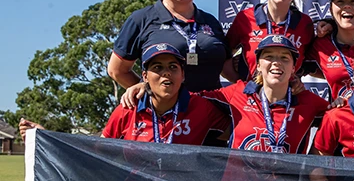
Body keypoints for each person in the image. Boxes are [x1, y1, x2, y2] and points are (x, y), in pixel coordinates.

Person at [20, 43, 227, 144]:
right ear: (144, 76)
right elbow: (93, 150)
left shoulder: (202, 107)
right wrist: (45, 136)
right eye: (157, 68)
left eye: (173, 67)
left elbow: (236, 134)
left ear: (183, 75)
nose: (166, 73)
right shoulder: (128, 109)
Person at [108, 0, 231, 93]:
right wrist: (149, 92)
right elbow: (116, 70)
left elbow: (228, 70)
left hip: (210, 111)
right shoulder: (141, 19)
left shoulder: (210, 21)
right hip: (165, 113)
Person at [202, 35, 329, 153]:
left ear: (293, 68)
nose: (276, 62)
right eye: (269, 57)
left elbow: (339, 117)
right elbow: (194, 99)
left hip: (286, 177)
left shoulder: (309, 102)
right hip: (237, 177)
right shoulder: (238, 92)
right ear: (258, 65)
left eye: (284, 58)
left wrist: (340, 102)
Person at [224, 0, 315, 82]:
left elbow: (311, 63)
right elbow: (222, 57)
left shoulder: (305, 24)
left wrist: (297, 79)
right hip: (250, 99)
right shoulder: (245, 18)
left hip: (289, 98)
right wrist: (242, 85)